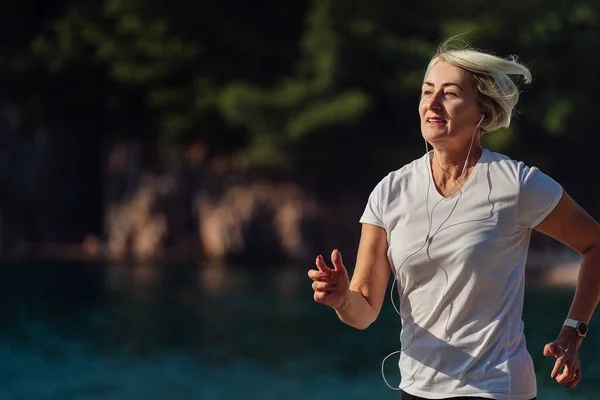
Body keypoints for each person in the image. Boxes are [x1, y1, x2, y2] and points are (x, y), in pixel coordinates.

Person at [307, 37, 600, 400]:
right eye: (426, 91)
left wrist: (573, 330)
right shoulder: (390, 192)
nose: (432, 103)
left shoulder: (516, 183)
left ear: (482, 111)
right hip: (417, 391)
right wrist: (340, 299)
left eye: (449, 93)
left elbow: (595, 244)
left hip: (498, 390)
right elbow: (363, 310)